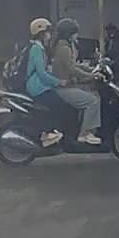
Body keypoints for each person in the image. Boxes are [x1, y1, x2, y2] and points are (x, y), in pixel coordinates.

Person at [51, 18, 103, 145]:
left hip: (67, 85)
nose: (77, 35)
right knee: (93, 101)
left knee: (90, 93)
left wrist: (89, 69)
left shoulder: (62, 46)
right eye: (75, 33)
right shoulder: (64, 48)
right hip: (64, 89)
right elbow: (72, 69)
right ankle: (85, 133)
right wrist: (91, 75)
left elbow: (74, 65)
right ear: (69, 34)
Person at [24, 18, 68, 148]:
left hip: (40, 85)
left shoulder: (39, 48)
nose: (49, 35)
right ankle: (47, 133)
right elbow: (42, 73)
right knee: (58, 103)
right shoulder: (36, 49)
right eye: (47, 32)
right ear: (41, 33)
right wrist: (58, 82)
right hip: (36, 87)